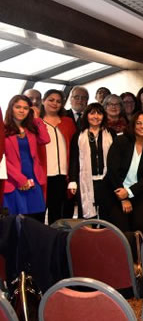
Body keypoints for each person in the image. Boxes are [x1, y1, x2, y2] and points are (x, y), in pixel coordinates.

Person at [106, 111, 143, 235]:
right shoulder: (121, 141)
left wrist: (129, 192)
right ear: (133, 125)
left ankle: (139, 253)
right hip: (117, 190)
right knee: (121, 226)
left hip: (140, 192)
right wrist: (123, 196)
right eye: (139, 123)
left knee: (140, 225)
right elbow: (112, 170)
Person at [3, 95, 49, 221]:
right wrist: (20, 179)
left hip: (34, 180)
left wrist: (37, 119)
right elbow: (2, 160)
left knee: (36, 221)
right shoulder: (3, 129)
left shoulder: (31, 129)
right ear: (11, 108)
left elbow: (45, 139)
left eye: (26, 108)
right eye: (18, 107)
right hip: (13, 181)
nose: (22, 111)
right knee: (16, 223)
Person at [67, 103, 115, 219]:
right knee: (87, 216)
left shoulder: (110, 133)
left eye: (99, 113)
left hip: (106, 181)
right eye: (92, 113)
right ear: (86, 116)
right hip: (85, 180)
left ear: (103, 116)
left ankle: (105, 236)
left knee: (107, 215)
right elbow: (74, 159)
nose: (96, 116)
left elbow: (116, 158)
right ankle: (88, 236)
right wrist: (73, 180)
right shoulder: (78, 135)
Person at [41, 89, 76, 224]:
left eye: (58, 101)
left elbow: (74, 149)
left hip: (62, 176)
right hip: (43, 176)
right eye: (51, 100)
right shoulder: (36, 122)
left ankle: (57, 243)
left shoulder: (67, 122)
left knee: (58, 215)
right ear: (43, 101)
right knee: (39, 213)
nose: (54, 103)